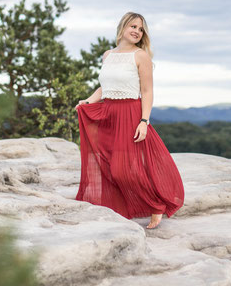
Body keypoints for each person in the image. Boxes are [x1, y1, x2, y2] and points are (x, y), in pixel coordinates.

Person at [74, 12, 185, 229]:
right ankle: (125, 206)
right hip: (109, 113)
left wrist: (144, 121)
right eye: (133, 26)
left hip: (131, 114)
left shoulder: (140, 56)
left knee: (123, 170)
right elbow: (105, 87)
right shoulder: (108, 55)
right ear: (123, 27)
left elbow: (147, 90)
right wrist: (88, 101)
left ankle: (156, 206)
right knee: (107, 162)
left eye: (140, 29)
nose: (136, 31)